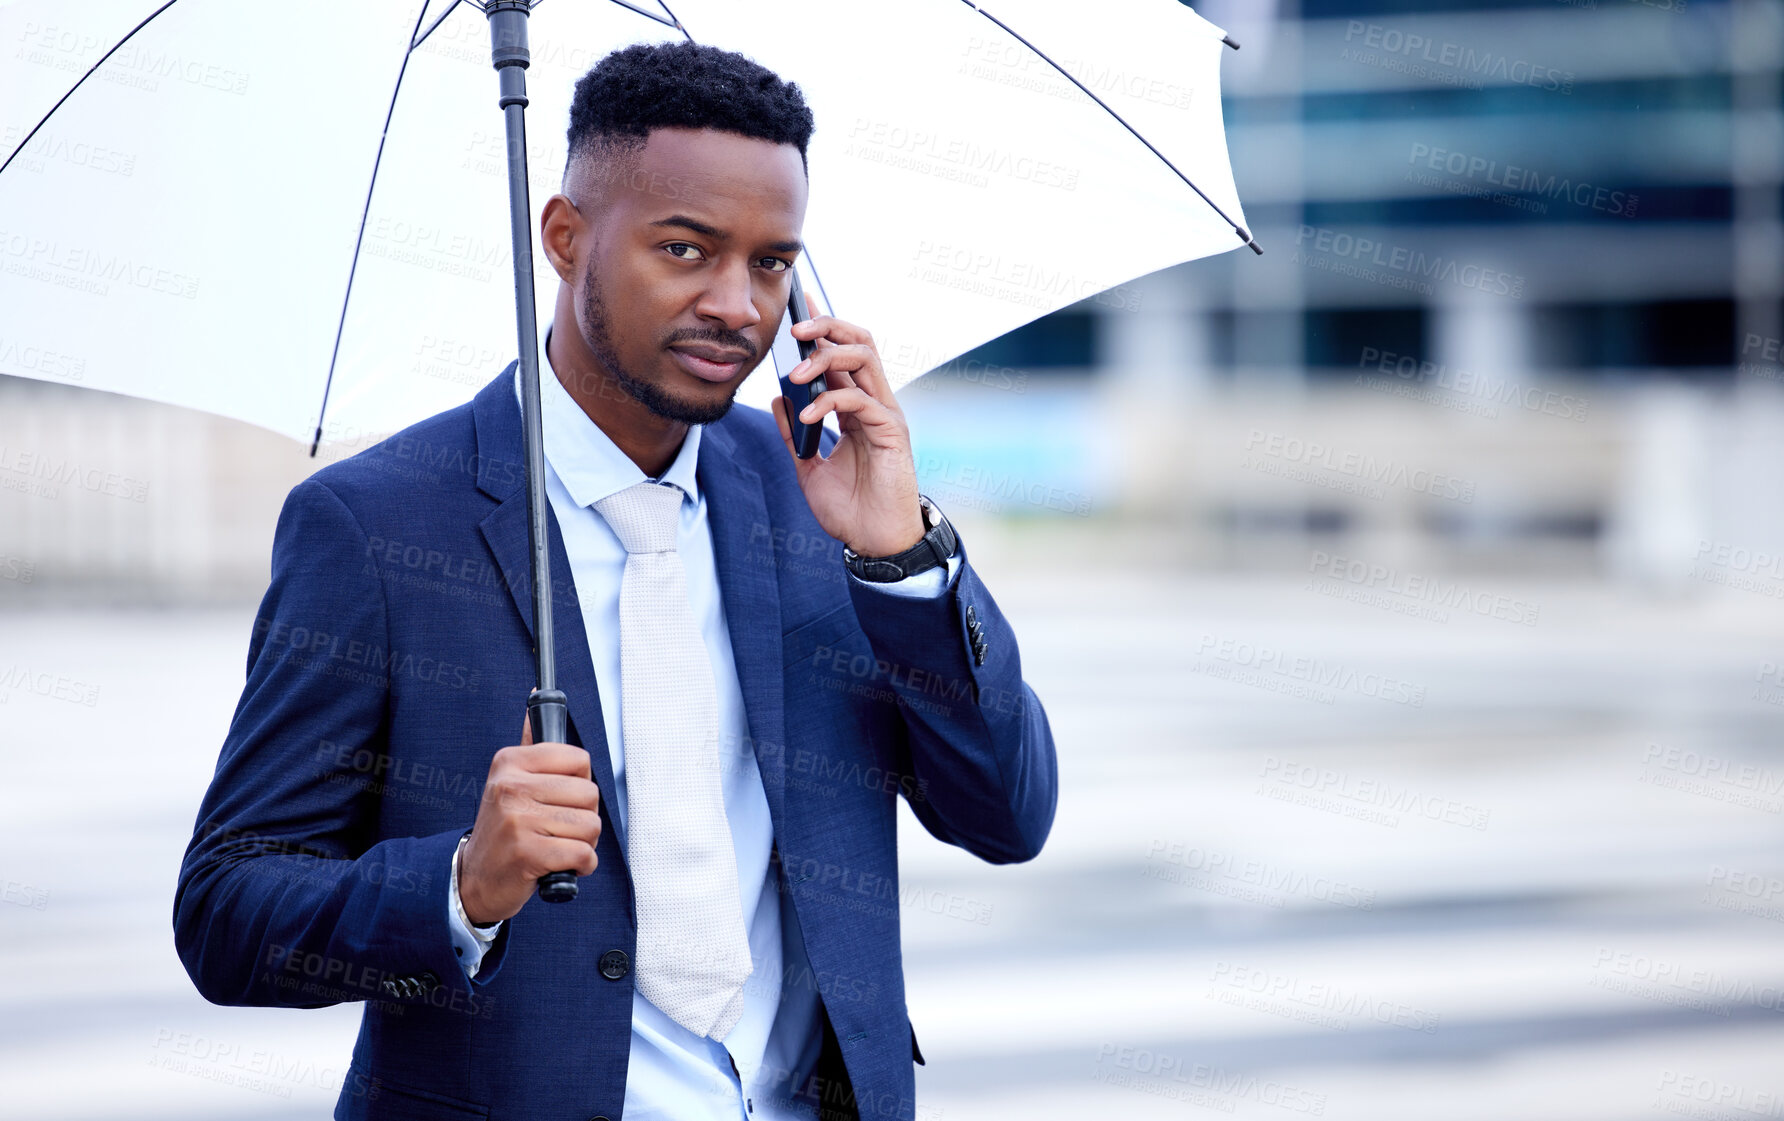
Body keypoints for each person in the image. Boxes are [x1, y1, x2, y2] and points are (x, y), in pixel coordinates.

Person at [174, 40, 1057, 1121]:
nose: (739, 304)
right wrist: (458, 885)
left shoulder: (818, 495)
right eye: (684, 249)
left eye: (771, 263)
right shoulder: (374, 524)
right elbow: (228, 910)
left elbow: (1007, 816)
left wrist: (900, 557)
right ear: (564, 238)